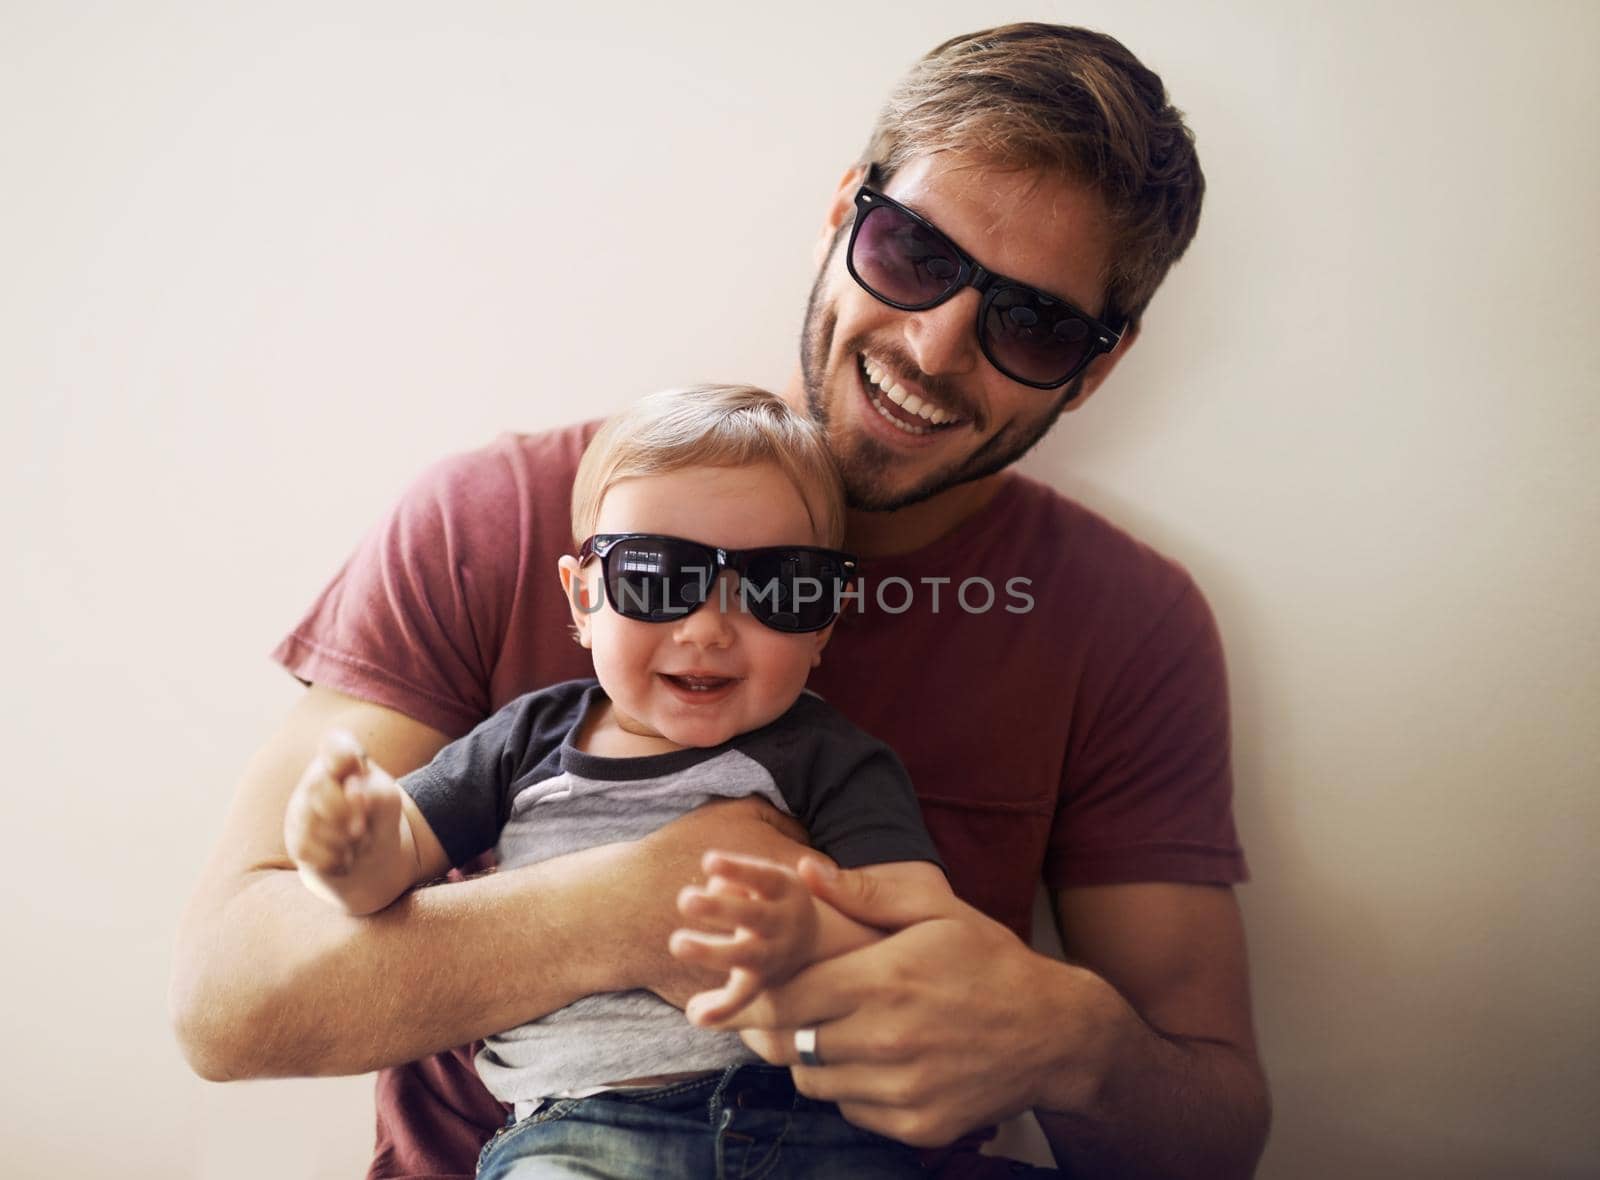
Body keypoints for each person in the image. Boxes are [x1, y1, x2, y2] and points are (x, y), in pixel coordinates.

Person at [172, 22, 1271, 1180]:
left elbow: (1208, 1138)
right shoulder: (493, 515)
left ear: (1095, 365)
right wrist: (645, 897)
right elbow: (229, 998)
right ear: (846, 212)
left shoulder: (1120, 623)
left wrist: (1077, 1048)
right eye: (913, 253)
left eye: (1035, 323)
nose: (936, 344)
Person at [284, 385, 972, 1178]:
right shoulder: (525, 742)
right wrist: (351, 848)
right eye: (656, 577)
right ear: (583, 598)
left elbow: (929, 951)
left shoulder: (830, 759)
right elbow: (393, 867)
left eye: (778, 586)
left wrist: (817, 942)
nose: (710, 628)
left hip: (815, 1131)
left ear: (823, 620)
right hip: (581, 1134)